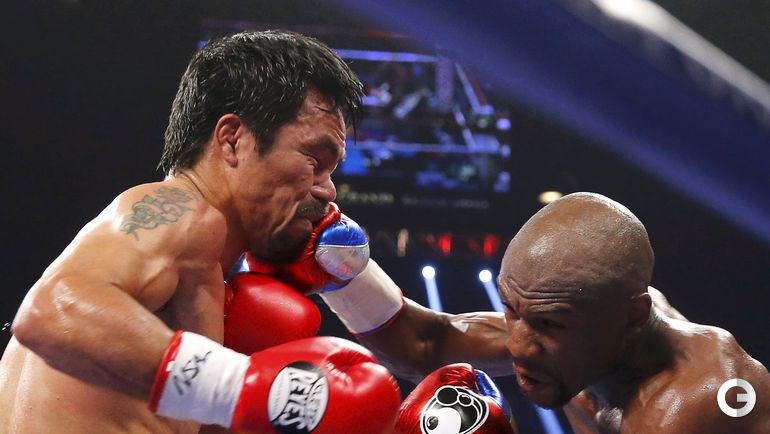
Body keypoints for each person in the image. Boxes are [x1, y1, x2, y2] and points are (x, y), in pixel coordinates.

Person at [0, 30, 402, 434]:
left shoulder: (200, 283)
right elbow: (51, 309)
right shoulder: (178, 210)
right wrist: (246, 387)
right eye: (314, 159)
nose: (327, 190)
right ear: (233, 140)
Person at [319, 192, 770, 433]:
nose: (517, 344)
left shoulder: (697, 405)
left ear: (633, 318)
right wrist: (334, 265)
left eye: (548, 324)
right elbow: (424, 343)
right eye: (510, 310)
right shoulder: (581, 326)